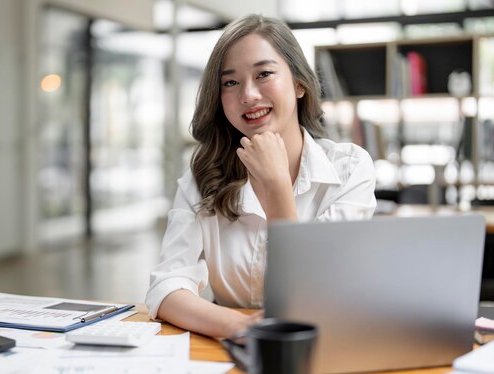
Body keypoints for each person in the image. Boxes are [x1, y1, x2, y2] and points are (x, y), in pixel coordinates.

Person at [145, 14, 377, 339]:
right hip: (233, 347)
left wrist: (277, 185)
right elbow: (167, 285)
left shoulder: (351, 168)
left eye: (264, 74)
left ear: (299, 84)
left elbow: (314, 298)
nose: (248, 95)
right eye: (230, 82)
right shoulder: (204, 174)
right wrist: (237, 326)